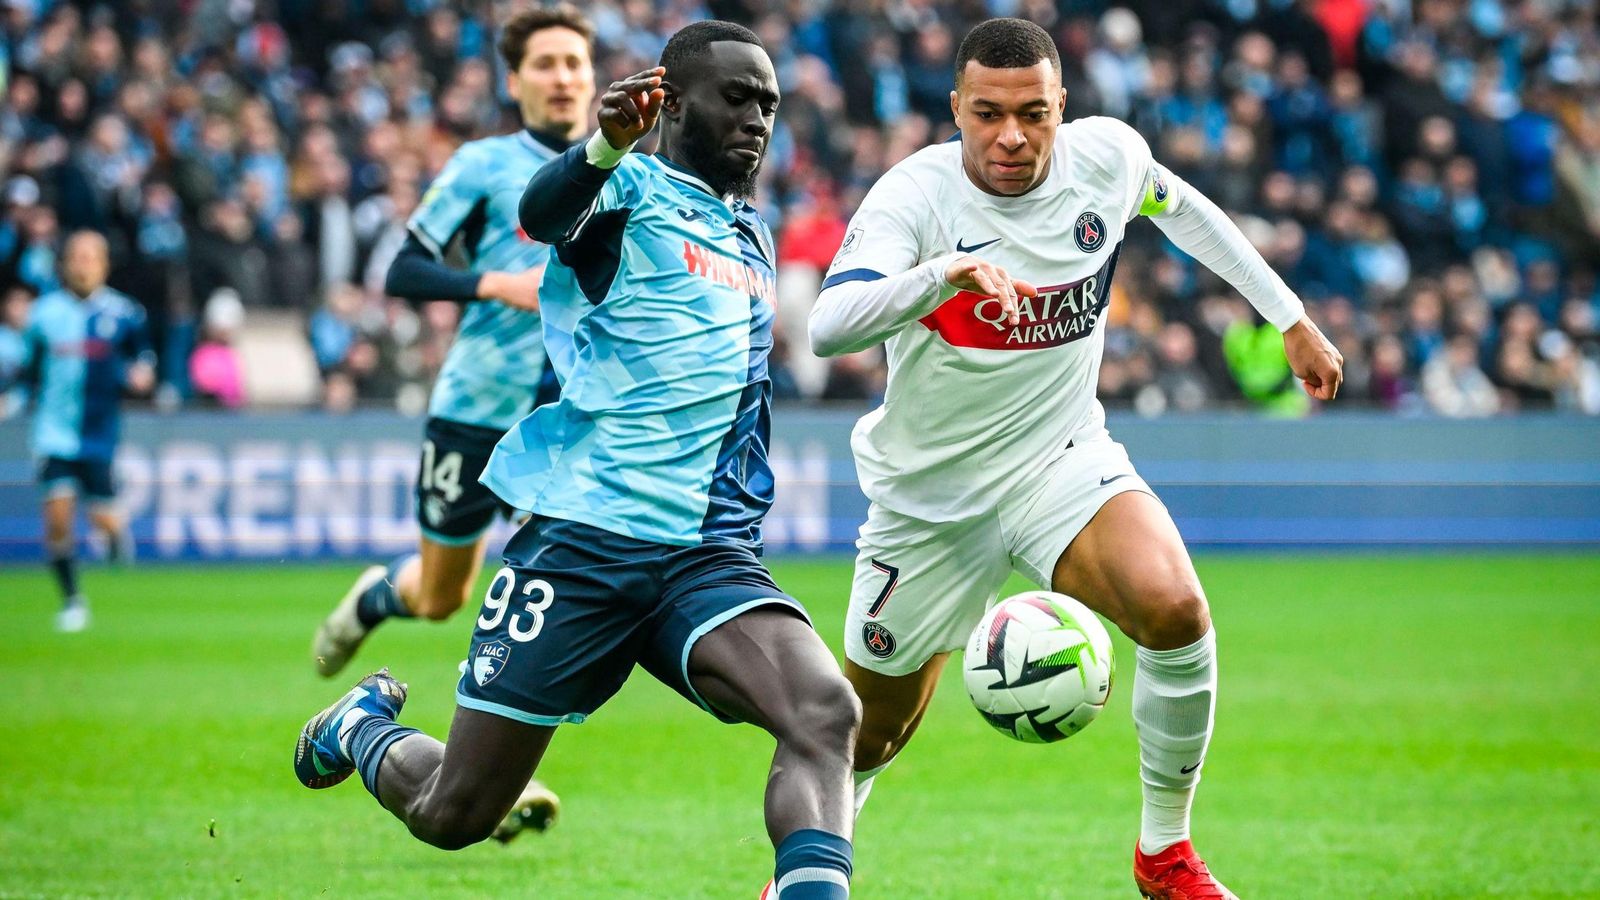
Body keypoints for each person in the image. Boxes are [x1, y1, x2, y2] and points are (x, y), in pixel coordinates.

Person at [295, 22, 860, 899]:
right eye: (737, 98)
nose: (758, 120)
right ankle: (361, 725)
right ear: (672, 100)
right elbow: (541, 214)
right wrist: (602, 145)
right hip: (586, 544)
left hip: (704, 558)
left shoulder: (752, 231)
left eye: (770, 105)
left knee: (825, 713)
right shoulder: (623, 189)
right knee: (456, 814)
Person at [808, 19, 1344, 900]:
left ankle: (1165, 855)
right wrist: (942, 276)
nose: (1011, 136)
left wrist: (1288, 316)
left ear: (1063, 107)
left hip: (1058, 459)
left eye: (1033, 114)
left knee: (1174, 610)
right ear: (955, 110)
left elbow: (1189, 212)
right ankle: (806, 879)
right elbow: (829, 326)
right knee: (868, 734)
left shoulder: (1108, 159)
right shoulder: (915, 197)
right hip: (929, 503)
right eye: (986, 115)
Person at [20, 231, 154, 632]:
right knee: (58, 518)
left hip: (99, 435)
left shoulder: (125, 314)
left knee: (103, 520)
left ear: (104, 263)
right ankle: (72, 601)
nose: (83, 264)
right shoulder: (44, 314)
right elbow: (29, 370)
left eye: (91, 257)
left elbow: (143, 359)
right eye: (76, 256)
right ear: (65, 264)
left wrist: (142, 376)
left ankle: (116, 539)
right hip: (53, 433)